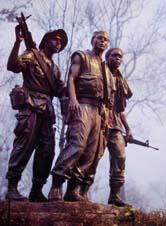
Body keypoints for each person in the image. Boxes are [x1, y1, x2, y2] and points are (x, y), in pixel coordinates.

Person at [48, 31, 115, 202]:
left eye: (106, 40)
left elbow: (109, 99)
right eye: (99, 38)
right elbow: (71, 78)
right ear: (92, 40)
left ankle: (73, 189)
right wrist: (73, 100)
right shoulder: (82, 56)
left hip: (98, 112)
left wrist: (106, 117)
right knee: (76, 144)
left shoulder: (106, 68)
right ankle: (56, 185)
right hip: (82, 105)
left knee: (89, 153)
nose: (103, 42)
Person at [6, 24, 68, 202]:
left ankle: (37, 189)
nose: (58, 43)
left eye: (61, 42)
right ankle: (12, 187)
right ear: (46, 40)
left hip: (47, 111)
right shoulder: (32, 55)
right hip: (31, 106)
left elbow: (60, 89)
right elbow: (13, 66)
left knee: (47, 151)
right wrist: (18, 42)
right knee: (23, 146)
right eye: (56, 39)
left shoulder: (55, 69)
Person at [105, 48, 133, 207]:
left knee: (120, 157)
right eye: (114, 55)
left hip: (114, 123)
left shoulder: (121, 80)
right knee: (91, 157)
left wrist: (128, 128)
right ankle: (79, 192)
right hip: (98, 119)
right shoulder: (100, 73)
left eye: (120, 56)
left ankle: (115, 195)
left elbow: (120, 109)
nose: (117, 58)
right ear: (107, 57)